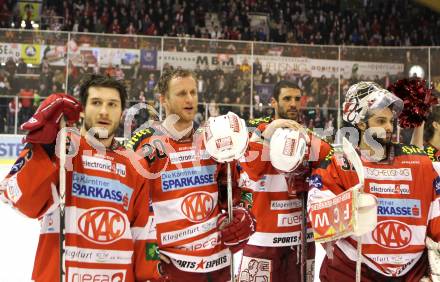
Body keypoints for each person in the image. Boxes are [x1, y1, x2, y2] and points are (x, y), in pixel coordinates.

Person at [0, 74, 161, 281]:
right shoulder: (62, 146)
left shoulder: (135, 164)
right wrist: (45, 148)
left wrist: (152, 274)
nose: (104, 111)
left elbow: (143, 234)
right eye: (96, 102)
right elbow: (23, 201)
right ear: (83, 109)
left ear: (122, 113)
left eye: (112, 104)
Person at [126, 69, 255, 282]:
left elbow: (238, 187)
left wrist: (243, 214)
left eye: (193, 92)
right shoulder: (145, 144)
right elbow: (131, 207)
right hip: (172, 267)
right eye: (181, 93)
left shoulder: (213, 140)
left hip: (218, 264)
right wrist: (149, 256)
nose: (189, 99)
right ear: (163, 100)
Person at [308, 81, 440, 281]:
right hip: (352, 272)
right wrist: (348, 213)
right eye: (380, 121)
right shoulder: (338, 164)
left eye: (390, 121)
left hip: (411, 274)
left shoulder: (419, 163)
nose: (388, 128)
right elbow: (318, 220)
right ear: (361, 124)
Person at [237, 80, 333, 282]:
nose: (293, 104)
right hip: (262, 238)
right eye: (287, 98)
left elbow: (331, 171)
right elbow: (253, 171)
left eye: (297, 99)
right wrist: (271, 131)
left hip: (301, 240)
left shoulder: (309, 138)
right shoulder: (257, 132)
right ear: (273, 102)